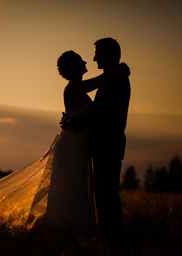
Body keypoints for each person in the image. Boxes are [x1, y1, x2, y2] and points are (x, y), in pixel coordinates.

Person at [0, 52, 128, 241]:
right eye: (81, 60)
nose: (87, 62)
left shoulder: (76, 87)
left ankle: (71, 230)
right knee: (70, 187)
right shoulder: (75, 87)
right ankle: (66, 231)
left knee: (73, 187)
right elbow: (100, 85)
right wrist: (123, 67)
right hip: (72, 146)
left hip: (76, 145)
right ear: (75, 66)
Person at [62, 37, 131, 239]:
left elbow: (103, 115)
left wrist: (73, 123)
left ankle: (112, 236)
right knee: (103, 194)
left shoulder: (116, 80)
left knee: (106, 194)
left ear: (110, 55)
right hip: (102, 145)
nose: (93, 59)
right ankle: (110, 236)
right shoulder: (110, 79)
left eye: (98, 53)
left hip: (108, 144)